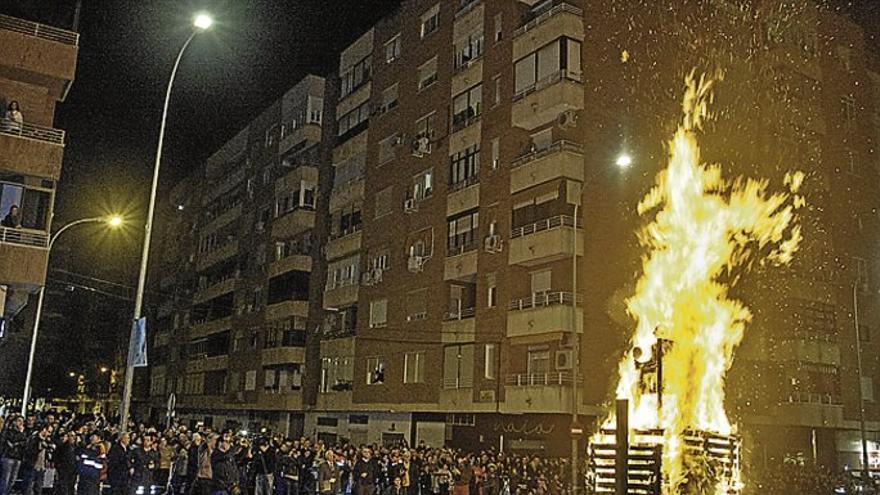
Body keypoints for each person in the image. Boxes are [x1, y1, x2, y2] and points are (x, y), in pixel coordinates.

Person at [0, 415, 27, 495]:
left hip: (18, 458)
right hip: (8, 457)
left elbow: (25, 443)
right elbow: (11, 441)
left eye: (22, 421)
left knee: (13, 479)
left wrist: (21, 435)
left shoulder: (23, 433)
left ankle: (7, 492)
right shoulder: (8, 431)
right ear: (14, 422)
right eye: (19, 421)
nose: (21, 423)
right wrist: (19, 439)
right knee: (5, 479)